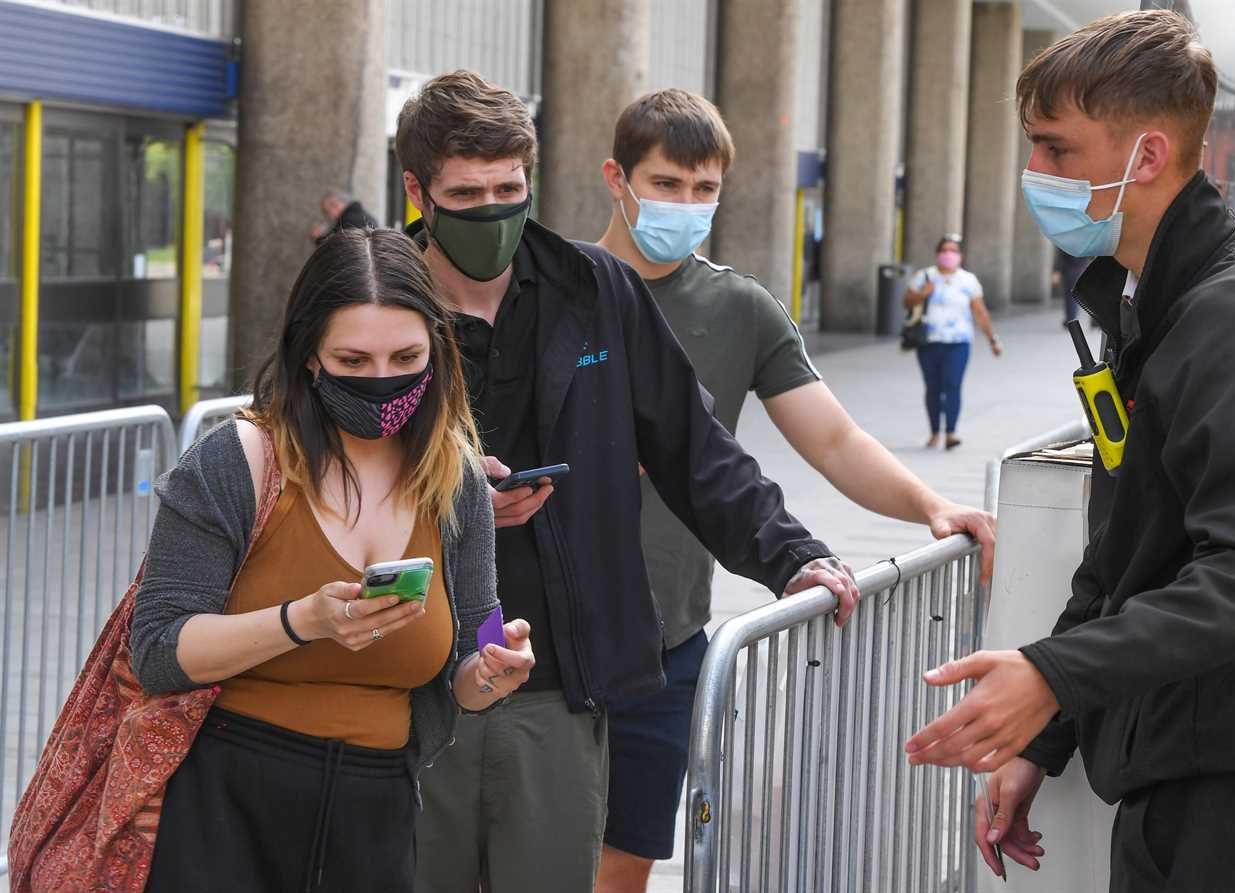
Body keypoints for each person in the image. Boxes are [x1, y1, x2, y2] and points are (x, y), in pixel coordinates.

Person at [395, 71, 859, 893]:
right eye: (468, 193)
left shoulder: (594, 290)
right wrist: (452, 499)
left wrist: (792, 555)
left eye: (511, 188)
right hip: (406, 668)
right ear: (417, 191)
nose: (495, 211)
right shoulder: (370, 296)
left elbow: (694, 448)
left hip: (559, 679)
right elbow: (313, 464)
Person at [904, 11, 1235, 891]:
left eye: (1057, 150)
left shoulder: (1230, 323)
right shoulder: (1149, 308)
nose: (1035, 174)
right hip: (1176, 774)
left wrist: (1051, 674)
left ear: (1145, 157)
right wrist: (1048, 732)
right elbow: (1125, 558)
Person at [592, 88, 996, 893]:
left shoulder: (738, 308)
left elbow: (835, 438)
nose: (686, 204)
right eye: (667, 184)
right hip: (541, 641)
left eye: (704, 189)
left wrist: (930, 505)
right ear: (618, 178)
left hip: (664, 644)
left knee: (622, 869)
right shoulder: (554, 292)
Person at [130, 228, 534, 891]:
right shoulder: (238, 461)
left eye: (406, 356)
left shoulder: (455, 480)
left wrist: (498, 658)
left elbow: (478, 631)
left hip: (375, 818)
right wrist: (302, 621)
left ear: (437, 349)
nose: (382, 381)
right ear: (309, 356)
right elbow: (158, 646)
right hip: (222, 810)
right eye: (353, 360)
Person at [902, 235, 1002, 450]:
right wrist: (922, 294)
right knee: (933, 387)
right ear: (938, 254)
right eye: (945, 250)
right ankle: (935, 432)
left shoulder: (968, 280)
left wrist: (992, 339)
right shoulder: (925, 276)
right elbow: (907, 302)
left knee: (953, 385)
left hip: (959, 342)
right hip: (928, 342)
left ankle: (951, 432)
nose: (949, 255)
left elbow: (980, 311)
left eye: (953, 251)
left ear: (960, 255)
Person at [310, 188, 379, 242]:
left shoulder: (346, 221)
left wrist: (318, 238)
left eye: (327, 212)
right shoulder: (364, 216)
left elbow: (334, 248)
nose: (328, 216)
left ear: (335, 205)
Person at [1054, 246, 1092, 325]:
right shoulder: (1085, 240)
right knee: (1073, 295)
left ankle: (1070, 319)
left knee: (1070, 296)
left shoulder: (1065, 240)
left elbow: (1060, 256)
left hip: (1070, 269)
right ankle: (1071, 318)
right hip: (1079, 269)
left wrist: (1057, 270)